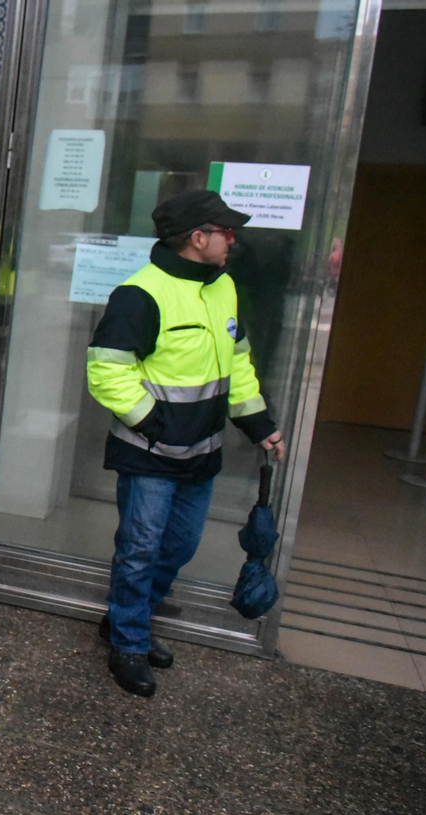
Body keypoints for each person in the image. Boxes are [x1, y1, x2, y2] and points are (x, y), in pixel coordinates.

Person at [87, 189, 286, 698]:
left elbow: (237, 365)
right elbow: (106, 373)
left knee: (178, 548)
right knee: (139, 550)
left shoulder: (223, 288)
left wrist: (259, 424)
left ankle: (125, 618)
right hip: (149, 455)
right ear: (198, 239)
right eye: (225, 231)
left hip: (202, 454)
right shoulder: (140, 294)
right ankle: (129, 641)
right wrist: (156, 423)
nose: (232, 240)